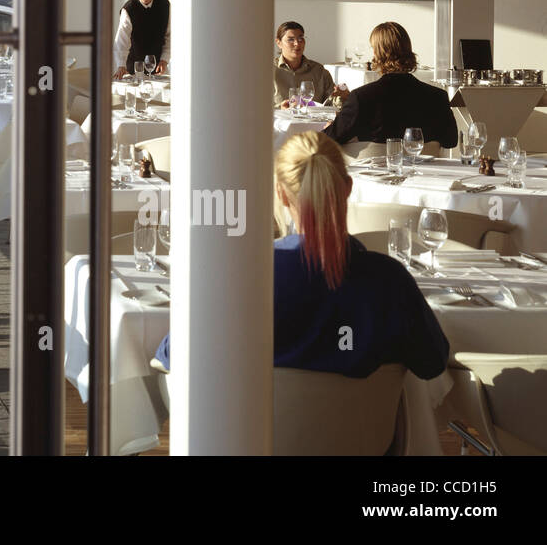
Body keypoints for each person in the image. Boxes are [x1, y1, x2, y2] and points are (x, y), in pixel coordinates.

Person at [156, 132, 449, 379]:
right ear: (347, 188)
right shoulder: (389, 280)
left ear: (281, 194)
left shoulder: (245, 276)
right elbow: (432, 363)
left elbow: (173, 354)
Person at [326, 22, 458, 148]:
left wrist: (332, 127)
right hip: (424, 169)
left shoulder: (361, 97)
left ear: (378, 54)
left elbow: (328, 139)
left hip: (372, 170)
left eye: (373, 49)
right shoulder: (437, 97)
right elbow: (450, 141)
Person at [114, 0, 170, 77]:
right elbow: (121, 42)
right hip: (134, 71)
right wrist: (121, 65)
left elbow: (169, 36)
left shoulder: (165, 5)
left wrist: (164, 59)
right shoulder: (128, 9)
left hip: (158, 70)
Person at [273, 20, 347, 107]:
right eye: (291, 39)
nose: (297, 43)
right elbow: (257, 106)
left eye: (300, 38)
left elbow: (331, 105)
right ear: (279, 43)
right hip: (279, 120)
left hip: (314, 120)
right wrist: (279, 108)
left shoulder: (319, 71)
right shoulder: (266, 70)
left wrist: (343, 97)